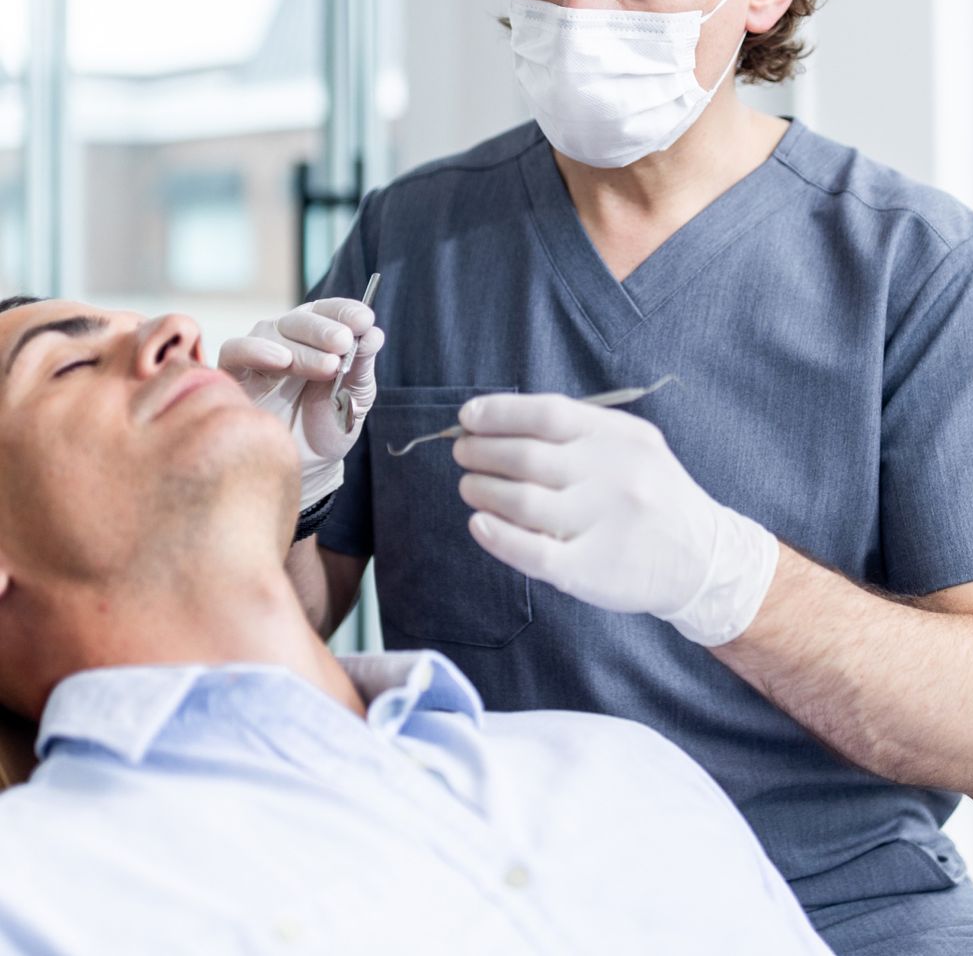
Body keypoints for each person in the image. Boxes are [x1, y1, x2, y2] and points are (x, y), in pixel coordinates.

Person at [223, 0, 973, 954]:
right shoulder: (413, 240)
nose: (576, 8)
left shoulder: (911, 266)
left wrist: (724, 576)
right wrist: (250, 494)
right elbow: (279, 625)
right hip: (491, 891)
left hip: (835, 905)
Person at [0, 292, 830, 956]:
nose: (178, 331)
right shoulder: (34, 889)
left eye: (143, 325)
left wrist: (730, 575)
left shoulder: (621, 770)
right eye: (69, 363)